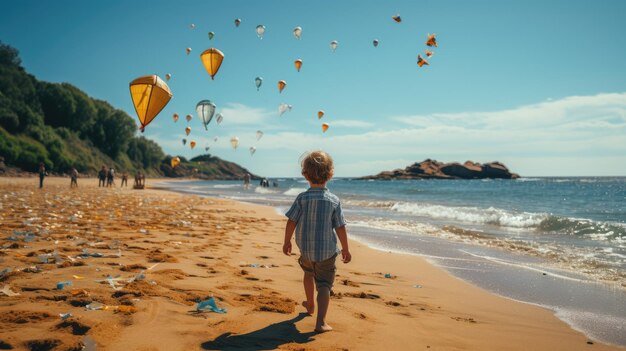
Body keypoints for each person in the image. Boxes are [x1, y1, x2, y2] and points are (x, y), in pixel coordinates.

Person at [283, 150, 351, 333]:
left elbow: (292, 221)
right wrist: (345, 248)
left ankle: (310, 304)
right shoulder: (333, 200)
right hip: (327, 252)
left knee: (308, 273)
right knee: (324, 285)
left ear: (305, 175)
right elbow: (340, 226)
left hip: (306, 250)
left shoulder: (302, 198)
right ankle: (320, 322)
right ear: (330, 174)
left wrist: (287, 241)